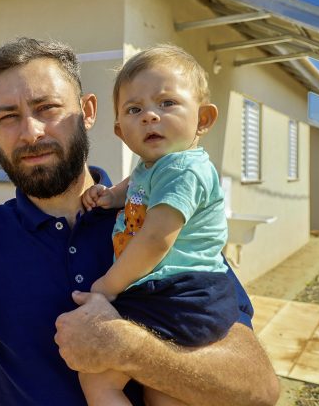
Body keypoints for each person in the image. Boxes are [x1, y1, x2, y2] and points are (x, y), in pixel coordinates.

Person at [0, 38, 280, 405]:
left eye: (47, 108)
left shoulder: (156, 217)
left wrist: (129, 350)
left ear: (88, 112)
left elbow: (258, 389)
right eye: (9, 116)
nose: (30, 132)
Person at [77, 44, 237, 406]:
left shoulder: (183, 170)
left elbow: (155, 239)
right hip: (174, 292)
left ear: (203, 119)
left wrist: (107, 286)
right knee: (160, 390)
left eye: (167, 103)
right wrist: (110, 195)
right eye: (134, 110)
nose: (150, 116)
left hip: (179, 292)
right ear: (121, 132)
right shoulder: (154, 166)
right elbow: (136, 186)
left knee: (98, 376)